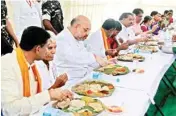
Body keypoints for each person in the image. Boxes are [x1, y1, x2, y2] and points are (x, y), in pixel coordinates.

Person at [1, 26, 73, 115]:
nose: (51, 51)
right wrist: (49, 95)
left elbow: (35, 98)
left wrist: (56, 93)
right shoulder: (6, 65)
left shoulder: (31, 64)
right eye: (48, 47)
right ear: (38, 49)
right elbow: (9, 110)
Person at [53, 15, 109, 85]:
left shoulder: (78, 39)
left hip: (81, 77)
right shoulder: (62, 38)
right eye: (85, 30)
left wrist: (103, 62)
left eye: (88, 31)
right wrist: (95, 57)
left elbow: (86, 57)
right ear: (77, 26)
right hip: (69, 81)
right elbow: (74, 57)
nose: (87, 34)